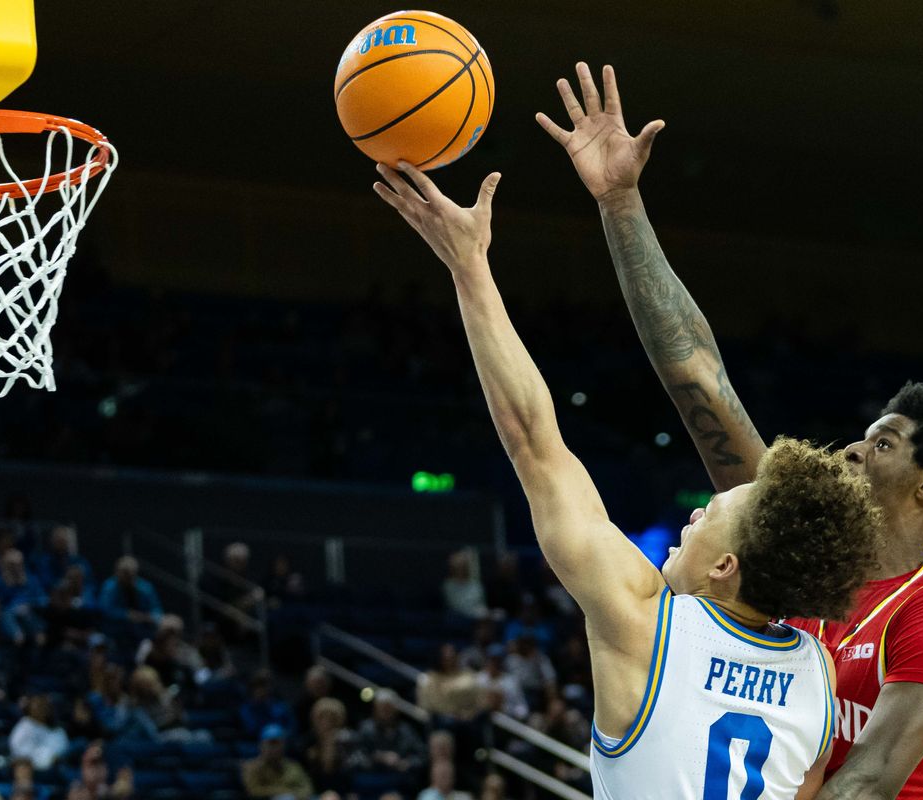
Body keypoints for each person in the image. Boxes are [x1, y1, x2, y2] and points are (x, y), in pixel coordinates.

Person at [538, 62, 923, 799]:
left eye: (884, 443)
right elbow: (697, 376)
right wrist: (620, 202)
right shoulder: (797, 545)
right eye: (865, 433)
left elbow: (866, 783)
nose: (855, 448)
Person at [373, 161, 881, 798]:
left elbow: (536, 444)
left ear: (727, 564)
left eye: (713, 510)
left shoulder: (643, 621)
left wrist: (470, 266)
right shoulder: (817, 672)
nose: (696, 513)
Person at [240, 724, 313, 800]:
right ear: (262, 746)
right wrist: (283, 791)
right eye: (270, 744)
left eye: (277, 744)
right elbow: (253, 790)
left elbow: (307, 788)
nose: (274, 748)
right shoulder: (252, 767)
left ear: (283, 745)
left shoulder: (293, 766)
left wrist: (295, 795)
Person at [8, 695, 70, 770]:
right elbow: (15, 747)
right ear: (30, 709)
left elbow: (62, 749)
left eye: (43, 706)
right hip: (29, 769)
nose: (40, 710)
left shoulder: (57, 730)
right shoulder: (24, 725)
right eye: (37, 706)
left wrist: (51, 758)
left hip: (53, 768)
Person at [98, 557, 162, 627]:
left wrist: (147, 617)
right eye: (124, 574)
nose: (126, 578)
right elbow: (104, 610)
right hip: (115, 629)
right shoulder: (109, 587)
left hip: (143, 628)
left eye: (129, 576)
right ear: (116, 572)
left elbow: (157, 611)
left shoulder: (146, 588)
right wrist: (126, 615)